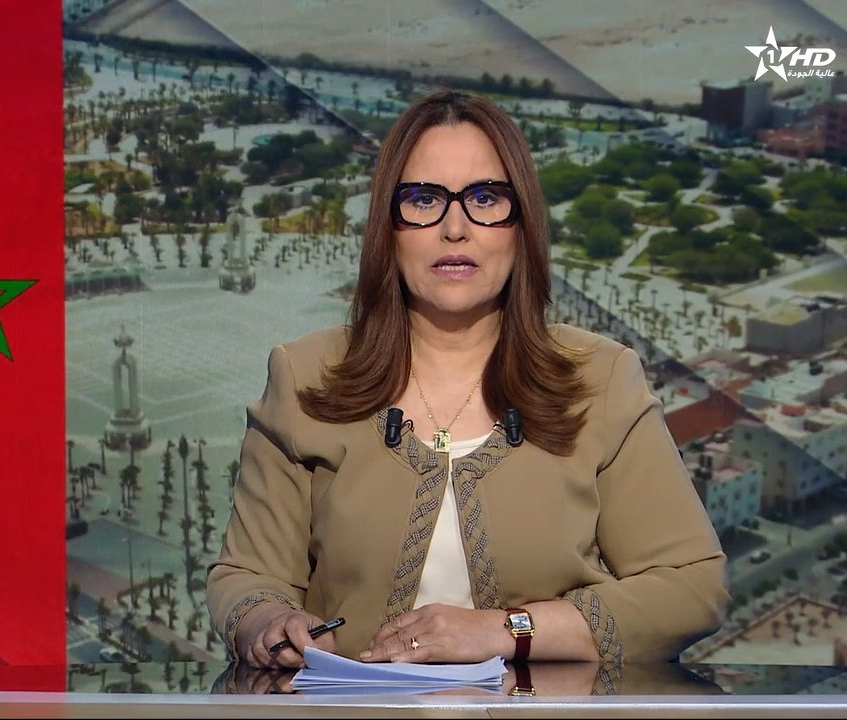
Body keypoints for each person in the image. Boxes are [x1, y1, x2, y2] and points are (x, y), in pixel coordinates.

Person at [205, 89, 729, 670]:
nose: (455, 228)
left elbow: (692, 587)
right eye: (424, 199)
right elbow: (247, 576)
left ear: (521, 225)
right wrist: (267, 622)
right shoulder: (305, 377)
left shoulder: (600, 380)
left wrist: (506, 631)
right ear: (388, 227)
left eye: (485, 198)